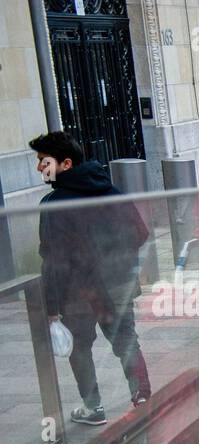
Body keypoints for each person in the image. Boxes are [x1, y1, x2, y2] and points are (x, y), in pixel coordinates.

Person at [30, 130, 151, 425]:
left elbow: (54, 260)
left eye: (43, 161)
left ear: (66, 164)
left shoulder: (55, 204)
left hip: (79, 292)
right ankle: (144, 399)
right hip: (116, 284)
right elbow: (140, 232)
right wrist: (116, 264)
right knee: (126, 341)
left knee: (80, 347)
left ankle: (93, 407)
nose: (39, 168)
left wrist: (51, 307)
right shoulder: (110, 190)